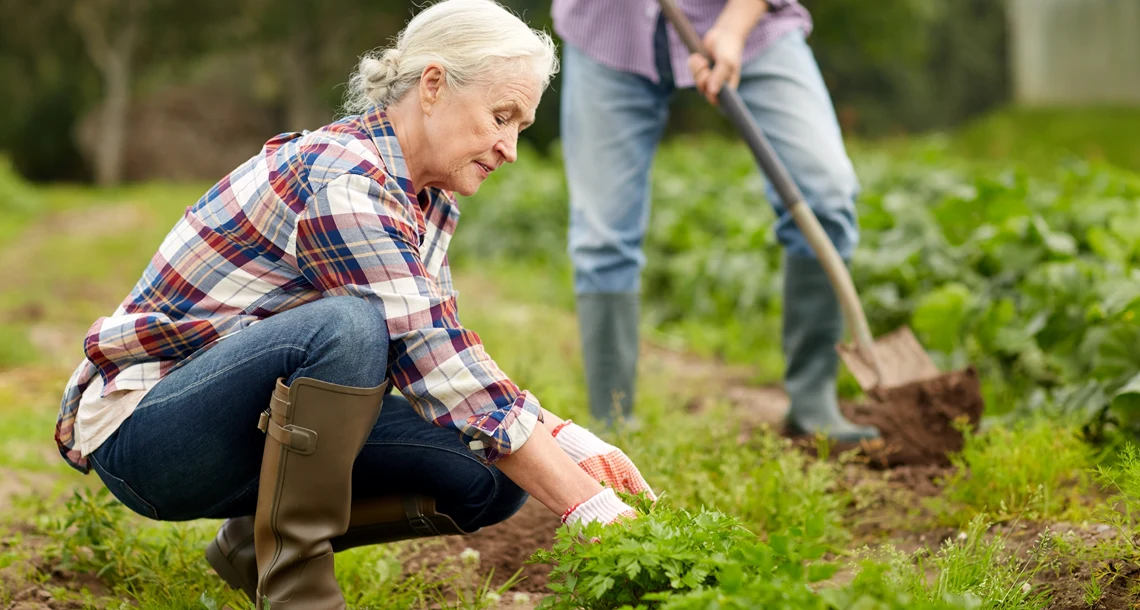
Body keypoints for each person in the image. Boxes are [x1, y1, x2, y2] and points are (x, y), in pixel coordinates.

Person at [52, 1, 655, 608]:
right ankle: (300, 592)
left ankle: (252, 546)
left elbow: (445, 354)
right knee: (350, 327)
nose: (510, 148)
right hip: (151, 433)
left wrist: (569, 442)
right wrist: (587, 504)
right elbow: (434, 359)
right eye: (501, 117)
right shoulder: (347, 179)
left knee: (491, 473)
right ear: (433, 85)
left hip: (244, 425)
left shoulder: (424, 197)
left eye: (520, 126)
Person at [551, 0, 881, 442]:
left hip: (752, 24)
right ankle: (612, 427)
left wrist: (735, 24)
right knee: (602, 232)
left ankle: (814, 405)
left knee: (826, 194)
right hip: (607, 27)